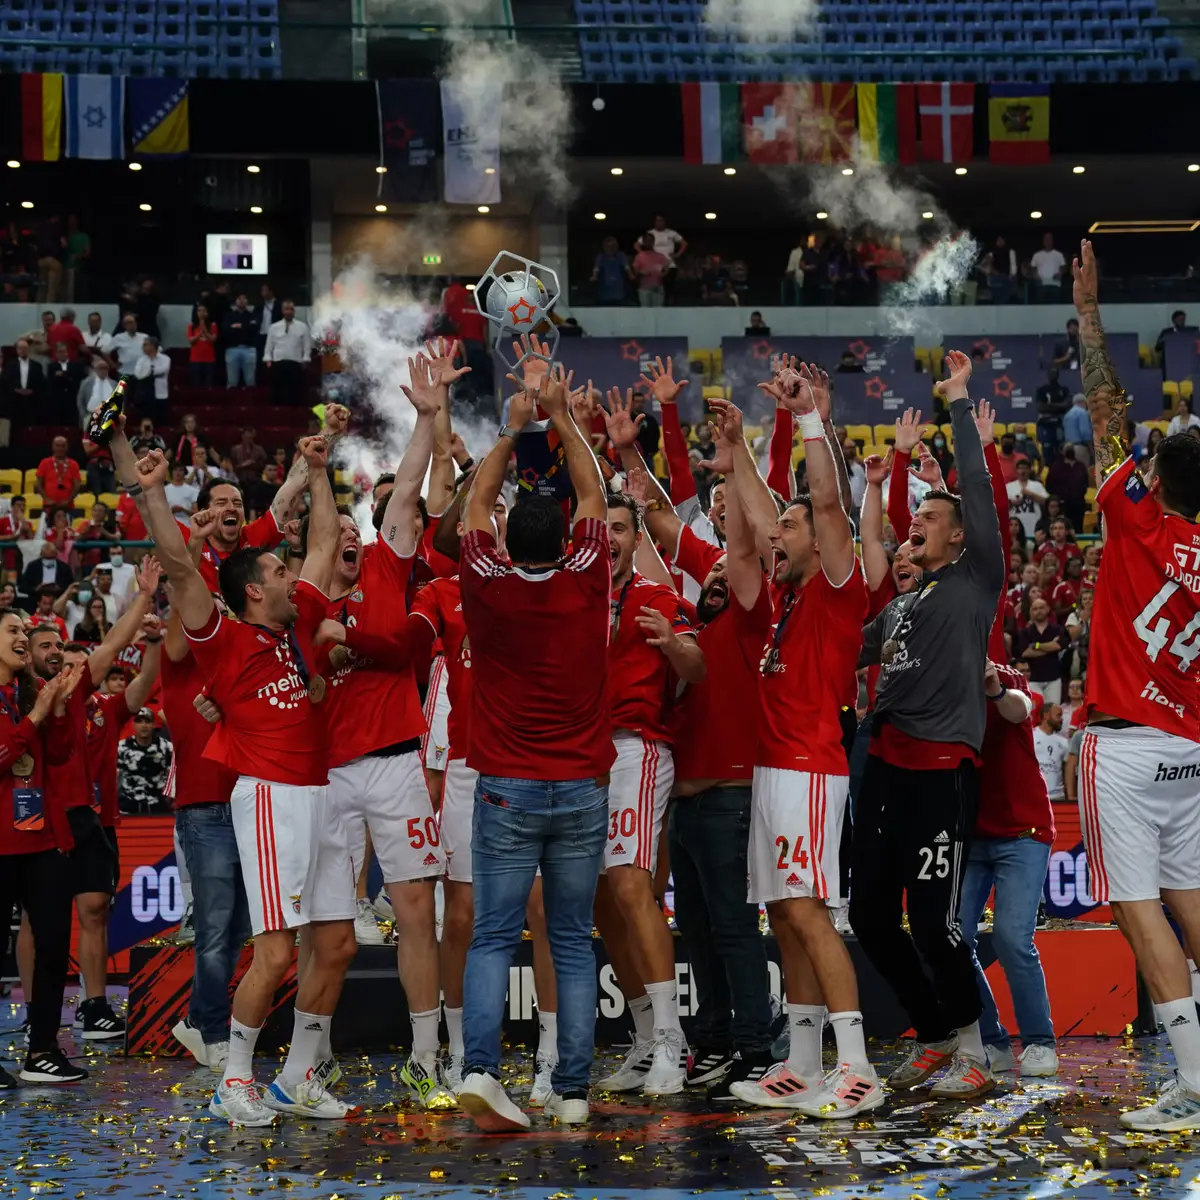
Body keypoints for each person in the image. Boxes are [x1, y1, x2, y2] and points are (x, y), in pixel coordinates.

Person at [121, 423, 358, 1126]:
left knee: (338, 944)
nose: (292, 573)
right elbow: (180, 564)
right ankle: (233, 1080)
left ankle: (297, 1077)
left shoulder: (291, 631)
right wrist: (155, 491)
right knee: (277, 949)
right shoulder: (221, 639)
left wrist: (317, 469)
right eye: (278, 572)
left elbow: (319, 543)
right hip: (270, 797)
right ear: (254, 591)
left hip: (321, 793)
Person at [709, 362, 879, 1119]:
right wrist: (735, 448)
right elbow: (756, 507)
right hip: (775, 769)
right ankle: (804, 1062)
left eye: (790, 524)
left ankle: (858, 1067)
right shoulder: (790, 595)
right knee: (783, 912)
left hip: (811, 768)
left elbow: (828, 502)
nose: (777, 531)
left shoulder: (840, 588)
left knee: (808, 911)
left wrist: (810, 419)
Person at [455, 362, 611, 1131]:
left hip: (507, 786)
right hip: (581, 785)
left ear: (508, 539)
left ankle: (481, 1069)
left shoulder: (485, 582)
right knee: (572, 942)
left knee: (493, 934)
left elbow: (475, 505)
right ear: (565, 540)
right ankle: (574, 1089)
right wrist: (558, 414)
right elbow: (594, 494)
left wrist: (515, 423)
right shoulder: (588, 576)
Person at [306, 348, 459, 1109]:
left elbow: (403, 508)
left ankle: (428, 1055)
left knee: (412, 913)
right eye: (336, 535)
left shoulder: (386, 574)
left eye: (355, 531)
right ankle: (315, 1056)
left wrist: (429, 418)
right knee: (325, 925)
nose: (352, 538)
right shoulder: (301, 608)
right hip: (325, 776)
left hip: (398, 765)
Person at [1070, 239, 1200, 1131]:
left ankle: (1192, 1083)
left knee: (1138, 907)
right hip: (1191, 748)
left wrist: (1087, 314)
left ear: (1155, 479)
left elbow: (1105, 411)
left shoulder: (1136, 517)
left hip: (1122, 745)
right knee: (1192, 902)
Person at [853, 350, 1007, 1101]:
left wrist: (955, 405)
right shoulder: (904, 603)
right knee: (869, 915)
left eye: (932, 519)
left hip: (942, 772)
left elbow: (974, 494)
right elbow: (853, 642)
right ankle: (937, 1033)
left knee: (934, 922)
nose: (920, 527)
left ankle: (975, 1049)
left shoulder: (977, 582)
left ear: (960, 538)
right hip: (884, 761)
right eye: (918, 518)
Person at [623, 452, 776, 1101]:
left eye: (724, 573)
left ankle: (755, 1050)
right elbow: (653, 532)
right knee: (702, 931)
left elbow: (738, 548)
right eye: (707, 574)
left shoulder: (748, 622)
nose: (715, 578)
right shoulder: (685, 626)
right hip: (683, 804)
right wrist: (630, 456)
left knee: (736, 929)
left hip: (730, 796)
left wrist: (737, 461)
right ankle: (714, 1044)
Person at [958, 661, 1058, 1078]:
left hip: (1023, 830)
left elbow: (1020, 709)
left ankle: (1039, 1042)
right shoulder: (939, 676)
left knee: (1012, 939)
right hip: (972, 835)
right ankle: (992, 1041)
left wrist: (995, 691)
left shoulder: (1003, 675)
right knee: (951, 938)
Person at [0, 619, 86, 1086]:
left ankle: (43, 1051)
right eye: (11, 630)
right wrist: (35, 718)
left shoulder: (24, 693)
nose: (21, 637)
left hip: (43, 840)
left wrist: (56, 708)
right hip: (1, 843)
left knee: (53, 947)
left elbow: (58, 755)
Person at [163, 584, 244, 1075]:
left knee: (238, 928)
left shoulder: (234, 666)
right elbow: (178, 634)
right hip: (203, 807)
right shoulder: (177, 664)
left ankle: (200, 1020)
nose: (217, 617)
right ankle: (210, 1028)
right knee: (215, 929)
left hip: (245, 804)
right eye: (210, 610)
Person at [117, 708, 172, 813]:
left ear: (153, 724)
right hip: (128, 807)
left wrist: (170, 798)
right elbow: (114, 777)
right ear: (133, 724)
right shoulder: (121, 748)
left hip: (158, 808)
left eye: (147, 721)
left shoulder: (167, 747)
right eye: (139, 721)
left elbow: (174, 775)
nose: (144, 725)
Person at [263, 300, 312, 406]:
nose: (289, 312)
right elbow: (269, 346)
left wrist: (306, 359)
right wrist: (268, 359)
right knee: (277, 393)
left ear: (294, 311)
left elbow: (307, 346)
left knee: (295, 393)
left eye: (291, 309)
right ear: (282, 311)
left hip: (295, 363)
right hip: (278, 363)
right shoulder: (274, 327)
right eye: (286, 309)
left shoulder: (302, 327)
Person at [1033, 701, 1070, 801]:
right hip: (1035, 795)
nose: (1061, 719)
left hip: (1058, 796)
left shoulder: (1064, 742)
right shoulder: (1030, 737)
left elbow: (1067, 772)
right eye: (1058, 715)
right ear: (1046, 715)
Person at [1006, 459, 1048, 542]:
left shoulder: (1037, 485)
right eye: (1020, 468)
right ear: (1016, 470)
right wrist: (1011, 502)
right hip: (1014, 525)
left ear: (1029, 470)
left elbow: (1047, 502)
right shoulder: (1008, 486)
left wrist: (1032, 495)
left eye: (1025, 468)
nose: (1022, 471)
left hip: (1034, 523)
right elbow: (1000, 505)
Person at [222, 295, 259, 388]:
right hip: (232, 349)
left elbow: (255, 329)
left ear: (247, 301)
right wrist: (246, 326)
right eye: (239, 299)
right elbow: (226, 329)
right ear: (235, 302)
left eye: (244, 299)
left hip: (249, 349)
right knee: (232, 380)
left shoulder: (253, 315)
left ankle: (251, 401)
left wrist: (238, 326)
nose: (241, 301)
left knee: (250, 380)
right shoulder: (229, 316)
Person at [591, 236, 632, 306]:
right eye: (609, 246)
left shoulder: (621, 255)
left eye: (613, 246)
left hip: (618, 288)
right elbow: (596, 268)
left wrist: (630, 275)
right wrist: (594, 276)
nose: (611, 248)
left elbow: (626, 266)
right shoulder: (601, 256)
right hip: (605, 289)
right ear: (604, 247)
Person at [632, 234, 670, 308]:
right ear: (644, 242)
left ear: (653, 241)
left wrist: (664, 274)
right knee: (645, 311)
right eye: (647, 240)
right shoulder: (639, 256)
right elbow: (635, 271)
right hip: (644, 288)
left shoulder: (660, 256)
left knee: (659, 311)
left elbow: (667, 268)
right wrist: (641, 273)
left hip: (657, 287)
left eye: (650, 240)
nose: (649, 242)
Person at [187, 305, 219, 388]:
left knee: (209, 384)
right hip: (195, 359)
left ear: (207, 313)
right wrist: (199, 334)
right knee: (196, 384)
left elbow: (212, 339)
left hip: (209, 359)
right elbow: (191, 341)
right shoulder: (191, 326)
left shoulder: (213, 325)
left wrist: (204, 328)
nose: (201, 312)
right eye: (199, 310)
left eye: (203, 310)